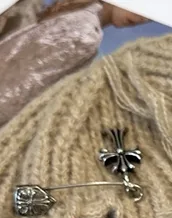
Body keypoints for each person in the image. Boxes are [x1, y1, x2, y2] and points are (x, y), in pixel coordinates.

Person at [0, 1, 148, 126]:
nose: (142, 18)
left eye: (149, 18)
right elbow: (20, 89)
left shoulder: (76, 17)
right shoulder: (85, 33)